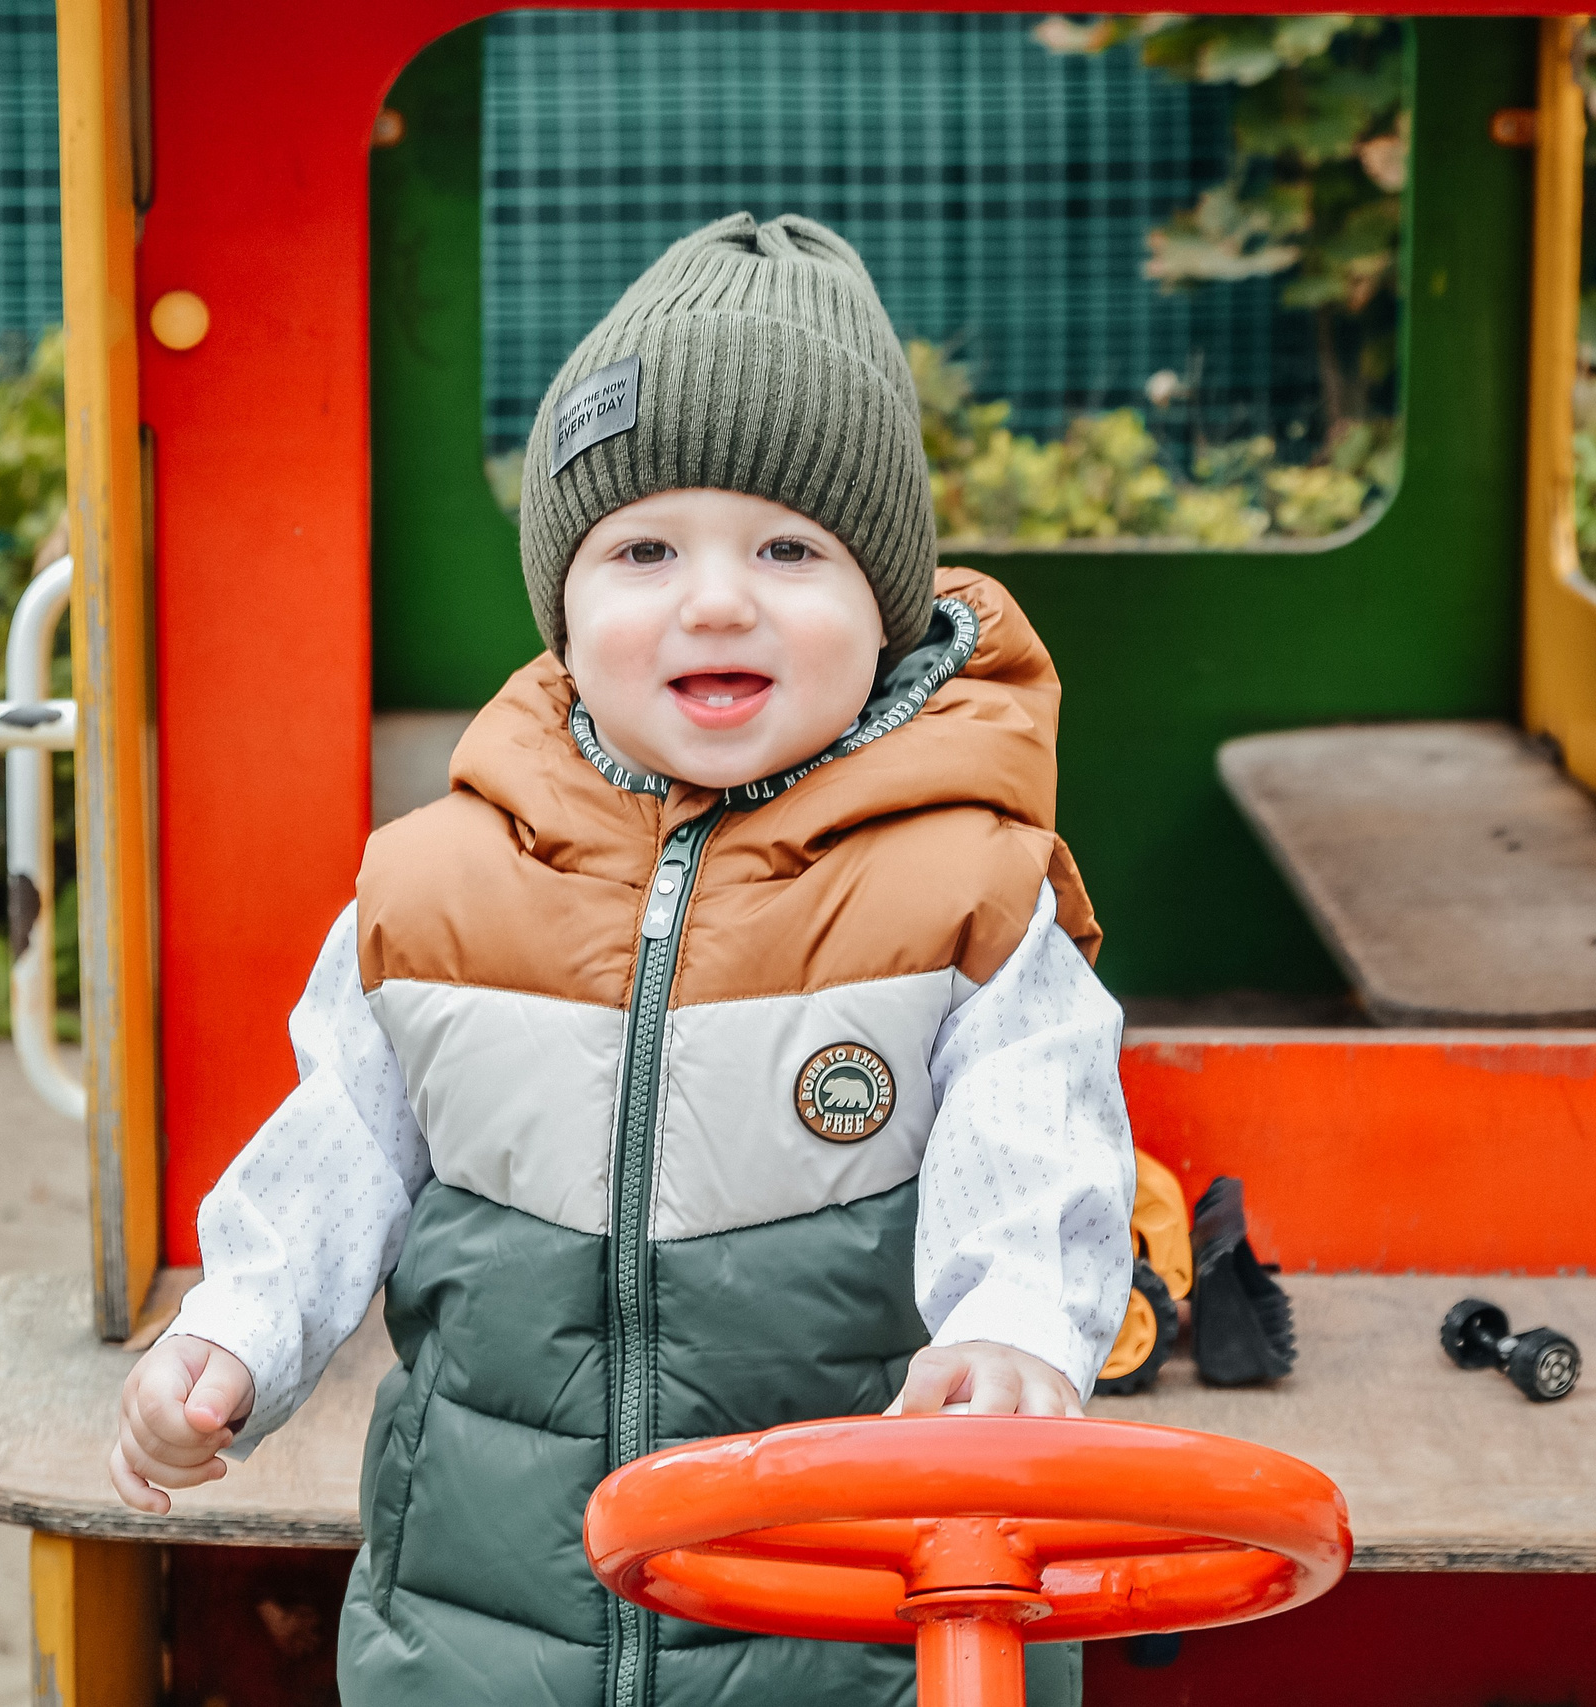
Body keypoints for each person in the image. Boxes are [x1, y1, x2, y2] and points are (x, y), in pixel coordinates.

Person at [108, 212, 1136, 1707]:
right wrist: (238, 1332)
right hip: (485, 1613)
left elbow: (1038, 1147)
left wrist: (1012, 1341)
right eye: (644, 548)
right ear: (564, 604)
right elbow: (337, 1140)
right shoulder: (438, 886)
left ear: (886, 603)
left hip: (854, 1617)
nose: (716, 598)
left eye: (790, 548)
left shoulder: (962, 890)